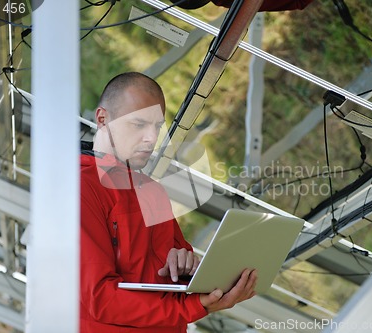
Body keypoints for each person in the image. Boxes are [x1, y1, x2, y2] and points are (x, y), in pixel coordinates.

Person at [80, 72, 258, 332]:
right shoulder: (80, 187)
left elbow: (176, 275)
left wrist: (188, 268)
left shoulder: (151, 191)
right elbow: (101, 298)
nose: (151, 138)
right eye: (139, 124)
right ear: (102, 118)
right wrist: (193, 307)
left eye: (156, 126)